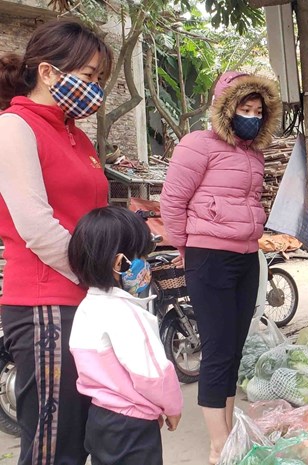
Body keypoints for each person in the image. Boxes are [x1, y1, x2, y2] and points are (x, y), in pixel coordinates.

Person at [0, 18, 113, 465]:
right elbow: (36, 226)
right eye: (88, 76)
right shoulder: (15, 128)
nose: (95, 88)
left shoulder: (76, 134)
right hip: (46, 304)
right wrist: (98, 272)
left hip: (85, 300)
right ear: (48, 72)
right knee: (53, 445)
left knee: (83, 437)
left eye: (99, 79)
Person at [161, 70, 280, 463]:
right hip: (209, 256)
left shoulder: (254, 154)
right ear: (226, 109)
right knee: (216, 349)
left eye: (257, 109)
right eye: (244, 108)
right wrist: (186, 247)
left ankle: (229, 432)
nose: (251, 115)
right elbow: (172, 203)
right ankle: (218, 447)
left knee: (233, 348)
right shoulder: (198, 145)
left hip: (246, 256)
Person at [67, 207, 183, 465]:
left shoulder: (87, 307)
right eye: (141, 255)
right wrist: (172, 407)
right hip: (132, 428)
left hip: (99, 419)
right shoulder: (127, 312)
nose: (146, 263)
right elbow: (152, 374)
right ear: (120, 263)